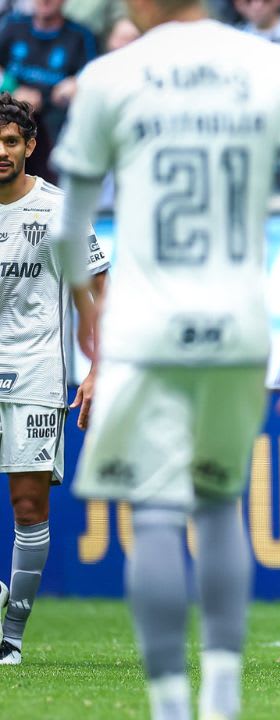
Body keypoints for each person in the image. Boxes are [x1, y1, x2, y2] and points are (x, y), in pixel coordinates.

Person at [49, 0, 280, 717]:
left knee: (153, 514)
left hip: (144, 330)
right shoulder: (277, 66)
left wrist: (89, 309)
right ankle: (225, 695)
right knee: (217, 505)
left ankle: (171, 702)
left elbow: (65, 228)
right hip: (238, 324)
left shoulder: (112, 74)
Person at [0, 93, 107, 666]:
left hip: (38, 371)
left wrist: (99, 369)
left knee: (28, 506)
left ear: (30, 147)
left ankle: (11, 638)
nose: (1, 152)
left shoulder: (60, 210)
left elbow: (99, 293)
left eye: (11, 142)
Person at [0, 0, 96, 182]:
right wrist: (13, 89)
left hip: (56, 125)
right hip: (10, 116)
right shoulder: (14, 25)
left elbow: (93, 76)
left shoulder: (81, 36)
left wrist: (76, 85)